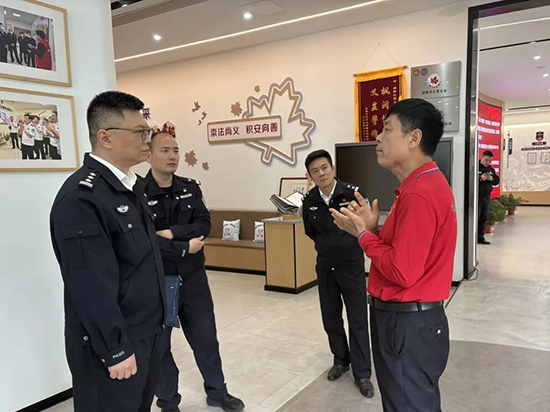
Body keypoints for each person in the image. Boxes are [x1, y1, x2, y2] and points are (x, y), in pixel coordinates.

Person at [330, 98, 457, 412]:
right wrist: (373, 230)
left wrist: (363, 236)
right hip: (410, 322)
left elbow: (403, 271)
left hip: (407, 325)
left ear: (414, 138)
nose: (378, 138)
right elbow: (406, 254)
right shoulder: (422, 186)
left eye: (387, 129)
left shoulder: (419, 193)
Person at [50, 91, 166, 412]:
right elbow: (90, 285)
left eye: (147, 130)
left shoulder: (130, 186)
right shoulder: (82, 198)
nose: (147, 139)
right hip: (114, 344)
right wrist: (115, 349)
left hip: (147, 332)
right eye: (140, 132)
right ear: (105, 137)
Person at [144, 132, 245, 412]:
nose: (172, 156)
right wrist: (185, 246)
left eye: (175, 150)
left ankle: (217, 392)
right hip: (158, 282)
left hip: (193, 279)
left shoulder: (190, 188)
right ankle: (168, 402)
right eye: (165, 150)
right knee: (160, 346)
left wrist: (171, 233)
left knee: (205, 338)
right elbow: (146, 241)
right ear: (148, 155)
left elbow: (204, 224)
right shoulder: (138, 193)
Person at [301, 149, 375, 398]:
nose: (321, 173)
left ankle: (362, 373)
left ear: (332, 168)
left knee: (357, 319)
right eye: (315, 171)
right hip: (325, 267)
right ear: (310, 176)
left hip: (351, 265)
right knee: (330, 317)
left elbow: (366, 224)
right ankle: (341, 360)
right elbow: (311, 231)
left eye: (324, 168)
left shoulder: (352, 193)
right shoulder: (309, 200)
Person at [478, 150, 500, 245]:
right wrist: (480, 179)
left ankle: (481, 237)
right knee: (476, 217)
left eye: (490, 161)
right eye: (486, 160)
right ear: (482, 157)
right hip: (476, 197)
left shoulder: (491, 169)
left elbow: (496, 181)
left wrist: (491, 179)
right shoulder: (475, 167)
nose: (488, 162)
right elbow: (468, 180)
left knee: (483, 217)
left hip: (486, 197)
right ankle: (472, 238)